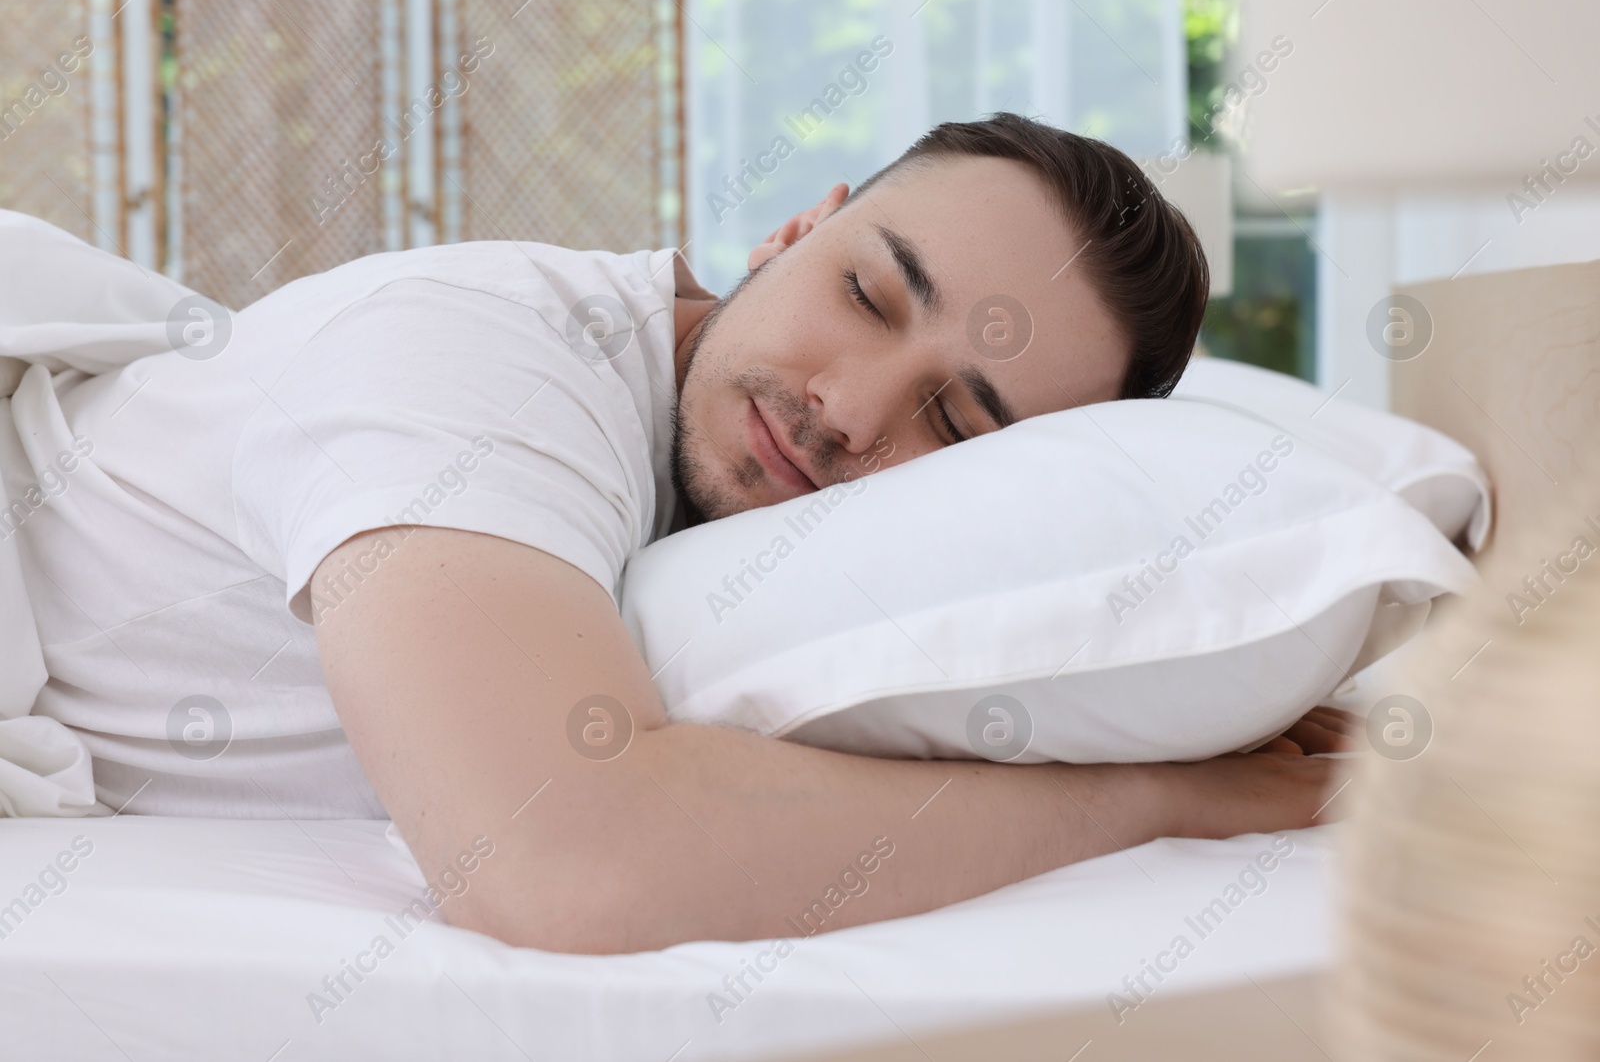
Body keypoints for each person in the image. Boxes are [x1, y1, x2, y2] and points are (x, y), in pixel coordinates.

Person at [8, 112, 1356, 954]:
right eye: (870, 294)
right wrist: (1159, 799)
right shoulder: (478, 368)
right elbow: (559, 865)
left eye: (955, 425)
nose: (846, 409)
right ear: (795, 228)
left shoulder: (741, 519)